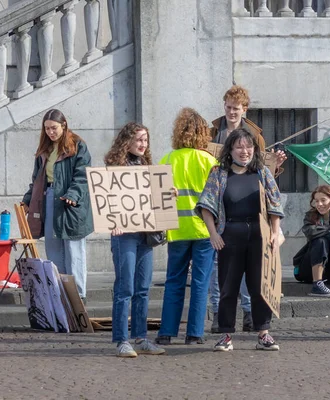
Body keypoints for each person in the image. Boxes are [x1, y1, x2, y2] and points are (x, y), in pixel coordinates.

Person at [207, 84, 287, 334]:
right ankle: (222, 323)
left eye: (236, 108)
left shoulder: (255, 137)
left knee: (255, 279)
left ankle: (255, 320)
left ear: (244, 110)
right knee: (224, 280)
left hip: (256, 225)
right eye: (228, 107)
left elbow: (269, 191)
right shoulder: (211, 131)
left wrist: (276, 165)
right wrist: (212, 231)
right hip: (225, 216)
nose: (232, 112)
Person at [196, 128, 284, 352]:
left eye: (249, 147)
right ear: (230, 150)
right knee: (228, 286)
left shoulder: (263, 172)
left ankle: (263, 333)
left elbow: (275, 204)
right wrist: (213, 234)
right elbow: (206, 205)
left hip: (259, 236)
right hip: (229, 235)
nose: (244, 151)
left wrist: (274, 232)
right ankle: (225, 333)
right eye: (239, 147)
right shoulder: (219, 173)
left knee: (260, 286)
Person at [154, 108, 218, 346]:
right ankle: (194, 333)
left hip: (176, 229)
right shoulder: (209, 161)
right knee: (201, 283)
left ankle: (166, 331)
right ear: (203, 134)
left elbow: (159, 198)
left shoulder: (167, 159)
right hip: (204, 230)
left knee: (174, 281)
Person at [104, 122, 166, 357]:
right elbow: (106, 200)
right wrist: (114, 222)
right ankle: (122, 339)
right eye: (139, 139)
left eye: (145, 140)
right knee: (125, 287)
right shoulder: (114, 167)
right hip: (125, 236)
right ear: (127, 140)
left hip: (146, 235)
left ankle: (140, 337)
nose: (143, 144)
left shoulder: (147, 166)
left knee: (142, 288)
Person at [21, 109, 92, 300]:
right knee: (54, 249)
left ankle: (78, 296)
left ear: (64, 125)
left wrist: (73, 194)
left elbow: (83, 175)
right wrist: (27, 199)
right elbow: (36, 180)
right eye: (47, 129)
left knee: (73, 250)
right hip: (50, 197)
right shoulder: (45, 150)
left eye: (54, 128)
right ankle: (60, 294)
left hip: (71, 204)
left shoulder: (78, 146)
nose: (50, 132)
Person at [293, 185, 330, 298]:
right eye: (316, 201)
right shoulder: (310, 216)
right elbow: (310, 231)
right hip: (308, 268)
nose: (319, 204)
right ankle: (317, 284)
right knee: (321, 240)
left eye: (323, 200)